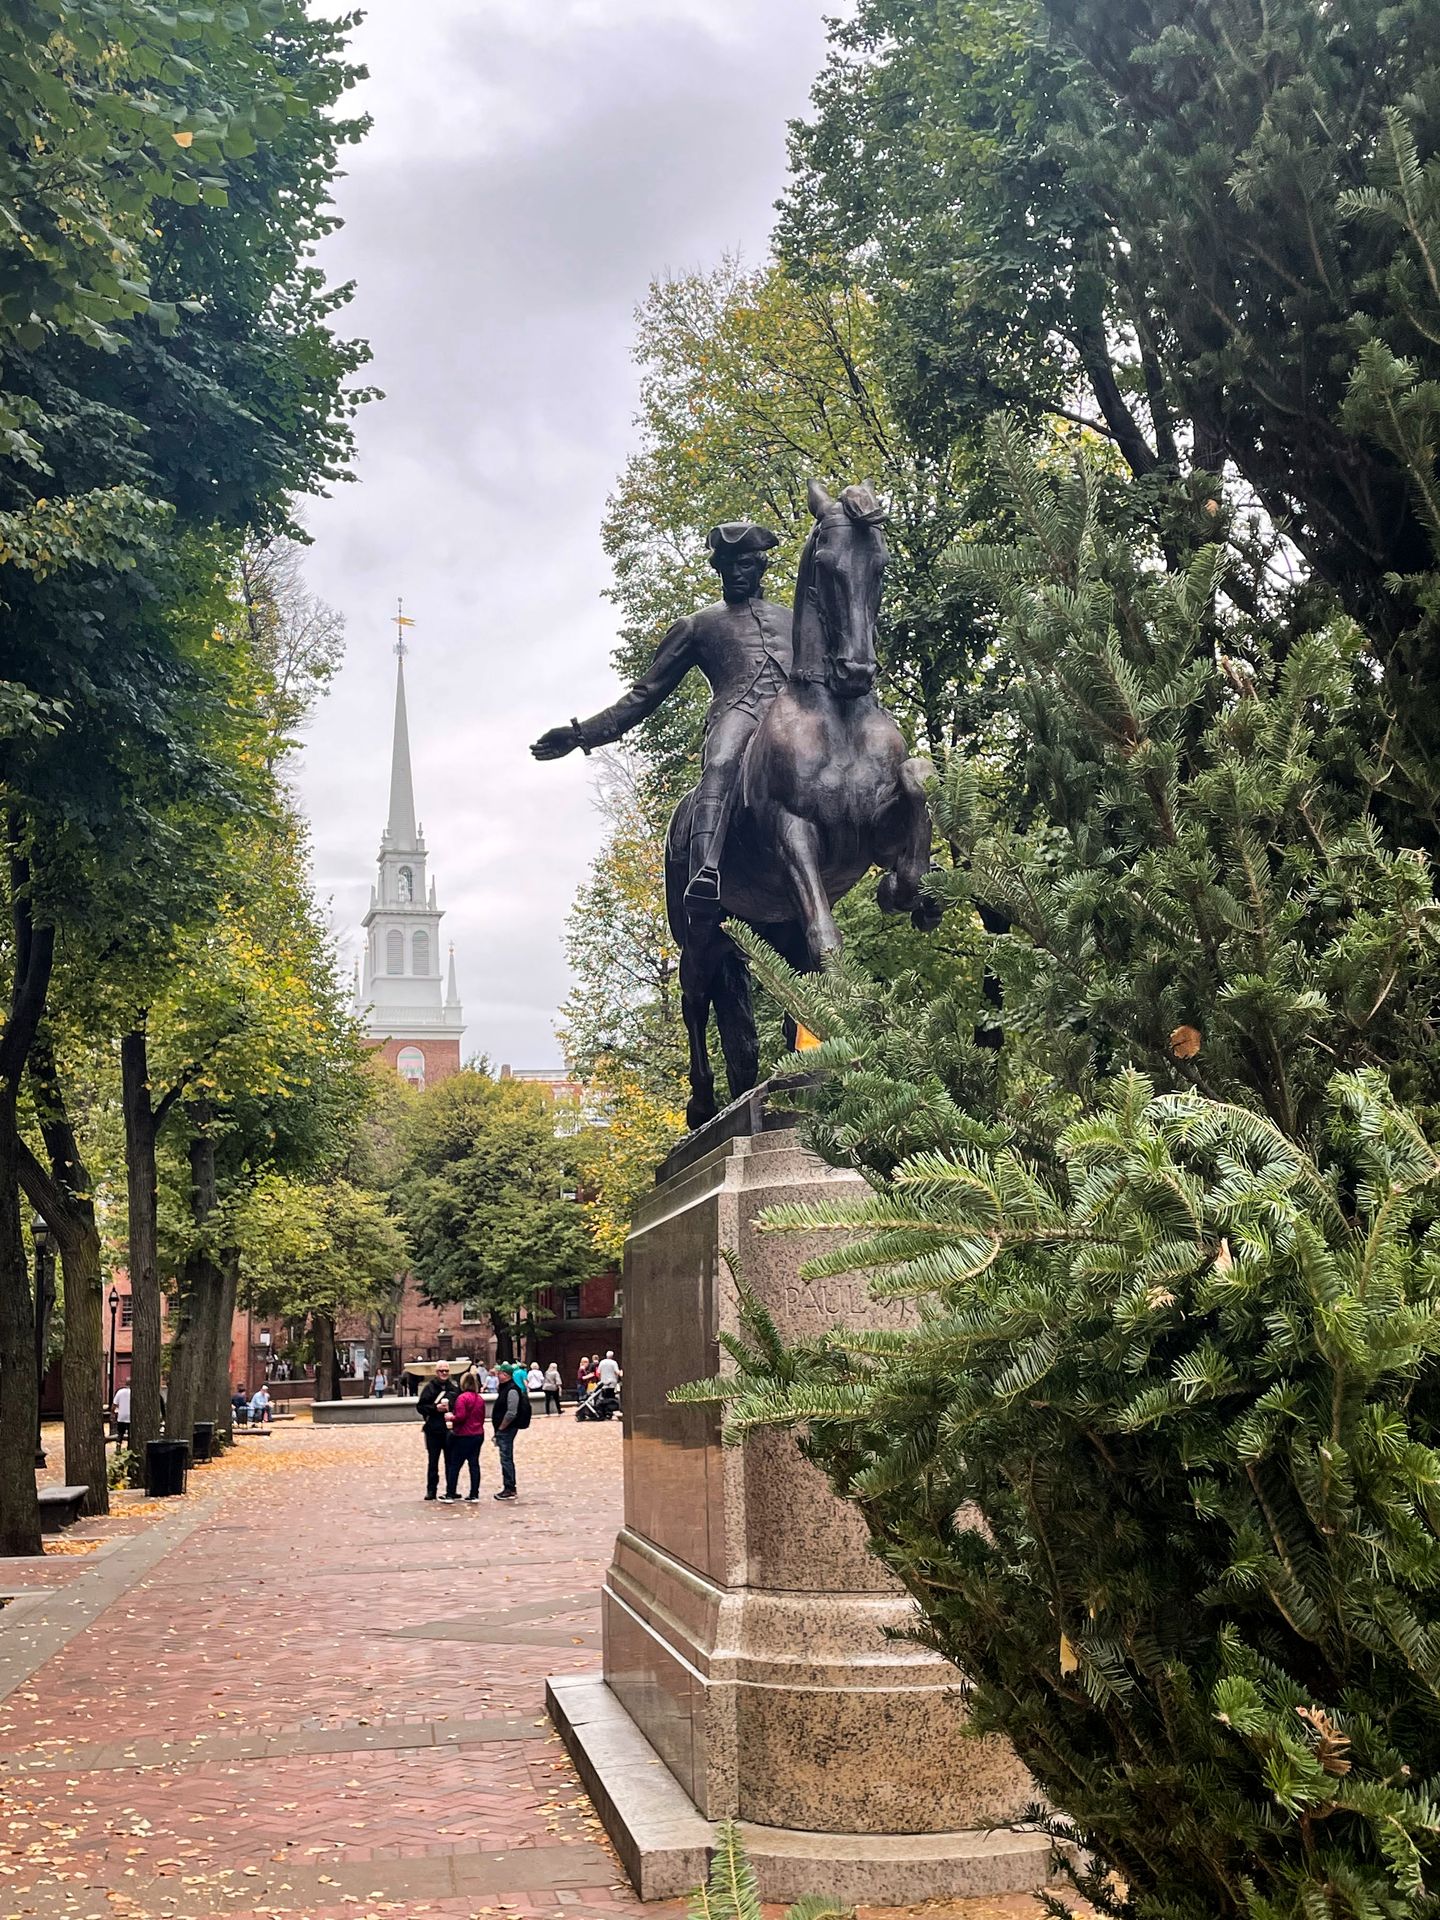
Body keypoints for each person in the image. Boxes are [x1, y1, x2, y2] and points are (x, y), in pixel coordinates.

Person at [532, 522, 790, 918]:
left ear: (760, 567)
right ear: (717, 569)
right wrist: (582, 734)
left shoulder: (794, 620)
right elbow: (644, 694)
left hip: (795, 718)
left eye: (744, 565)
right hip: (740, 712)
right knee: (720, 764)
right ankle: (706, 870)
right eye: (727, 566)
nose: (736, 574)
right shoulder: (697, 626)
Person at [441, 1368, 486, 1502]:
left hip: (464, 1435)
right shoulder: (480, 1399)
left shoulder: (462, 1398)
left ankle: (450, 1493)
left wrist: (450, 1417)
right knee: (474, 1464)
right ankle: (474, 1493)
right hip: (478, 1434)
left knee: (455, 1464)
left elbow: (460, 1417)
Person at [416, 1365, 455, 1501]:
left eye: (446, 1371)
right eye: (441, 1371)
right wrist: (434, 1408)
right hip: (433, 1430)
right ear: (436, 1372)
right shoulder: (429, 1388)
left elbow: (459, 1405)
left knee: (450, 1461)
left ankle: (451, 1489)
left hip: (449, 1430)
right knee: (433, 1461)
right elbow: (420, 1407)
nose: (444, 1373)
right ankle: (431, 1490)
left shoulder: (453, 1388)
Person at [491, 1361, 528, 1500]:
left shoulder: (511, 1389)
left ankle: (510, 1487)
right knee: (505, 1458)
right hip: (505, 1429)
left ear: (505, 1375)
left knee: (506, 1458)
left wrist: (501, 1427)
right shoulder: (505, 1388)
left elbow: (512, 1412)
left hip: (507, 1429)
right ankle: (509, 1486)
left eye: (499, 1373)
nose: (497, 1375)